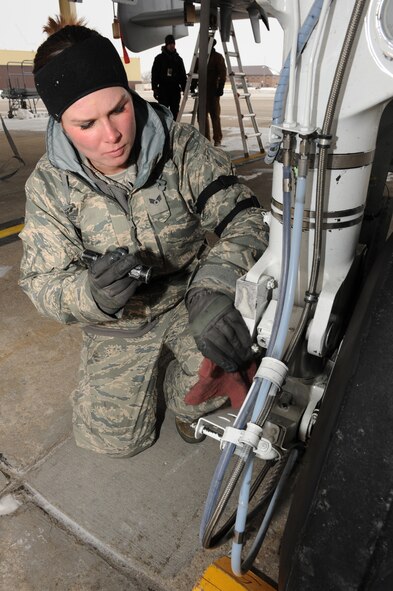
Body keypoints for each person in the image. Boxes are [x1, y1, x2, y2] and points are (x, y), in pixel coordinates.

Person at [19, 18, 269, 459]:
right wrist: (90, 294)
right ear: (60, 122)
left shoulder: (183, 147)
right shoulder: (50, 185)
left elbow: (246, 218)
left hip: (188, 299)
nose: (111, 135)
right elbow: (42, 281)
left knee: (236, 356)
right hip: (118, 323)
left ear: (131, 95)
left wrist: (217, 283)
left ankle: (182, 391)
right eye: (86, 124)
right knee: (115, 445)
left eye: (118, 109)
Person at [191, 39, 227, 146]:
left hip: (213, 91)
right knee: (201, 116)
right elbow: (194, 72)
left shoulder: (217, 57)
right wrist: (192, 85)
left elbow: (222, 73)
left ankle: (217, 139)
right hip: (202, 91)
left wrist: (220, 87)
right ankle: (205, 139)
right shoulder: (199, 58)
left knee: (215, 115)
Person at [151, 34, 187, 120]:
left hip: (175, 90)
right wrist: (155, 88)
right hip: (163, 90)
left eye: (173, 44)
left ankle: (174, 131)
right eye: (170, 44)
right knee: (163, 113)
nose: (172, 46)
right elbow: (154, 74)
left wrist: (185, 88)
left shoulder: (178, 59)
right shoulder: (159, 59)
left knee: (175, 112)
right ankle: (165, 131)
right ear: (166, 45)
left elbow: (182, 75)